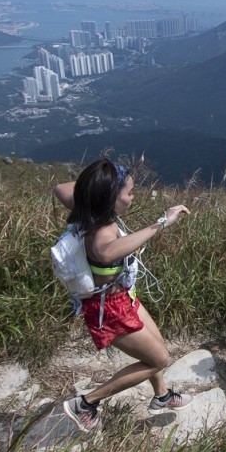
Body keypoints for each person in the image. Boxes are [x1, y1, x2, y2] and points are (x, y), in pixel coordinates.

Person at [53, 158, 192, 432]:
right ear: (110, 199)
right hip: (110, 309)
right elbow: (106, 252)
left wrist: (99, 181)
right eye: (128, 192)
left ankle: (162, 395)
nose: (132, 197)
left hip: (123, 297)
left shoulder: (88, 210)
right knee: (159, 359)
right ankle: (87, 403)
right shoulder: (103, 231)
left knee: (157, 343)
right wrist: (162, 222)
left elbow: (60, 188)